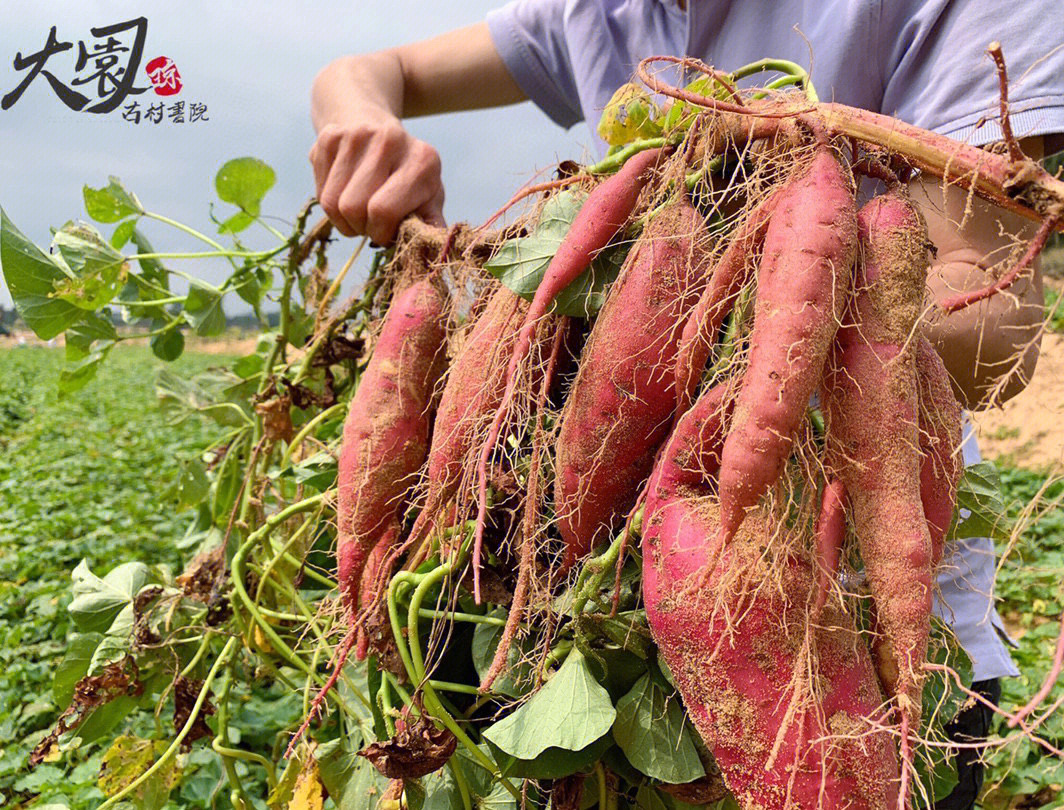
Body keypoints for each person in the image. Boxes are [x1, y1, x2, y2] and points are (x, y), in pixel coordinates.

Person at [309, 3, 1063, 806]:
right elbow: (362, 70)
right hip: (616, 597)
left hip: (867, 611)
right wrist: (359, 118)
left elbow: (993, 327)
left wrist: (800, 286)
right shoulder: (594, 14)